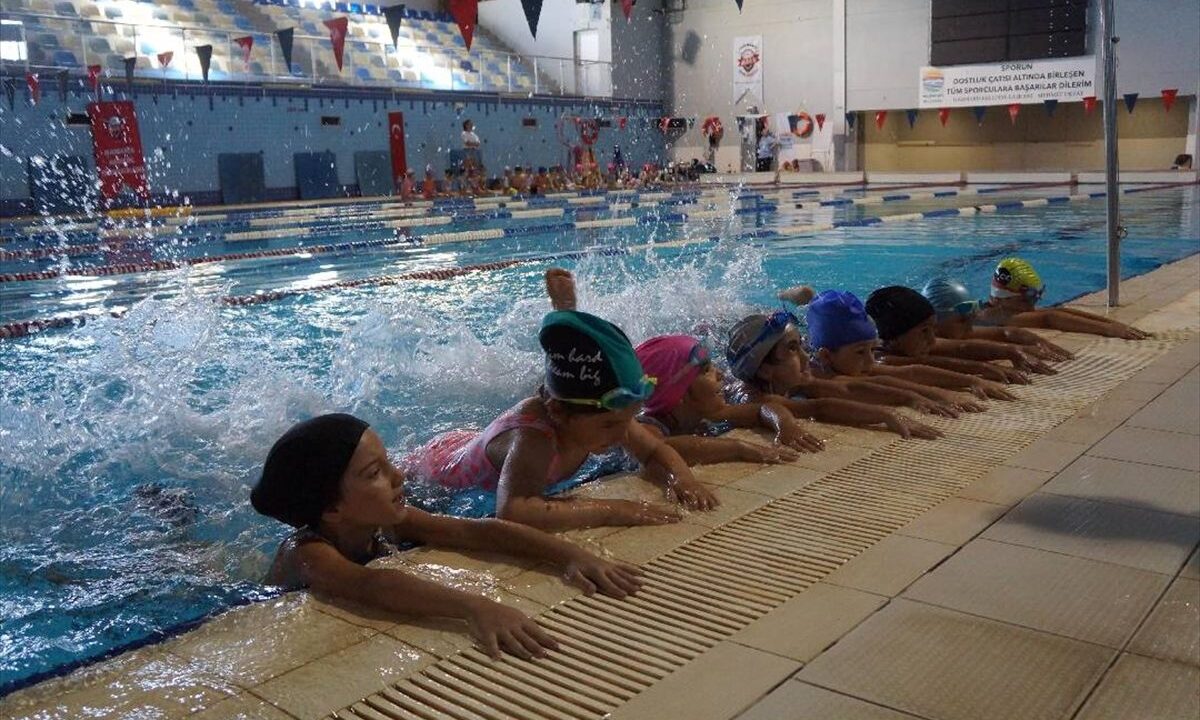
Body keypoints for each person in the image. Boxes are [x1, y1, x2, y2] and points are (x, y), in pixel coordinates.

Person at [252, 414, 643, 660]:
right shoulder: (307, 554)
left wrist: (569, 554)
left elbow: (472, 530)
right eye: (374, 473)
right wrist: (474, 607)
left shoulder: (385, 520)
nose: (398, 476)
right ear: (331, 509)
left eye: (388, 463)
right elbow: (370, 584)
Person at [405, 272, 718, 531]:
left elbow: (655, 451)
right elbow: (514, 511)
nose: (623, 433)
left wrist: (682, 480)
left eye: (628, 419)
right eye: (610, 424)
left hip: (478, 440)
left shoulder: (607, 417)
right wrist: (614, 510)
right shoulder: (533, 439)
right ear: (557, 412)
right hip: (437, 471)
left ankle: (565, 310)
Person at [725, 311, 943, 440]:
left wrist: (910, 397)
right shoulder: (752, 396)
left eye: (800, 345)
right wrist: (885, 415)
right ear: (764, 369)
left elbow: (846, 388)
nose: (805, 355)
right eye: (792, 349)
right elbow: (817, 407)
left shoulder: (787, 379)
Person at [632, 335, 824, 465]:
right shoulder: (644, 427)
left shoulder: (712, 412)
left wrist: (785, 425)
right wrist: (739, 448)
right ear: (679, 394)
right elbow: (661, 448)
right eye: (706, 371)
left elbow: (763, 409)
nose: (721, 374)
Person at [802, 289, 1009, 406]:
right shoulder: (812, 370)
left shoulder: (851, 352)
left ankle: (807, 297)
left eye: (871, 350)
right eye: (861, 352)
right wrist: (926, 395)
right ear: (826, 356)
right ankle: (805, 296)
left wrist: (972, 380)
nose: (871, 360)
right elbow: (858, 386)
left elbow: (909, 371)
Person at [865, 286, 1038, 383]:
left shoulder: (904, 339)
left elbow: (961, 347)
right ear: (893, 337)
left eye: (933, 329)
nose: (932, 339)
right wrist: (979, 371)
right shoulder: (875, 356)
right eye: (924, 331)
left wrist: (1011, 352)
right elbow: (918, 368)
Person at [976, 258, 1149, 340]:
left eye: (1036, 297)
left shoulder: (1004, 307)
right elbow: (1048, 319)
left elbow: (1057, 311)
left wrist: (1114, 324)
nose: (1033, 305)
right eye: (1028, 299)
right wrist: (1108, 330)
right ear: (1003, 299)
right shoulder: (990, 315)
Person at [921, 277, 1074, 361]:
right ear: (934, 321)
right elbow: (963, 348)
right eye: (963, 320)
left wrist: (1041, 343)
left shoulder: (955, 326)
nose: (970, 326)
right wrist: (1015, 351)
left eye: (971, 318)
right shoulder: (920, 339)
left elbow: (1008, 332)